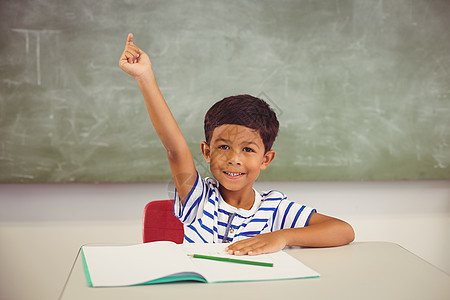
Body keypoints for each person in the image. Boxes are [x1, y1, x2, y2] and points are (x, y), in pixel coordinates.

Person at [119, 33, 354, 256]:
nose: (234, 158)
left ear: (266, 159)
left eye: (248, 149)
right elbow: (174, 147)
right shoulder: (198, 198)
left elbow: (343, 230)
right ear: (206, 152)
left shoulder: (274, 207)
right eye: (223, 147)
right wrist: (144, 77)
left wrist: (281, 237)